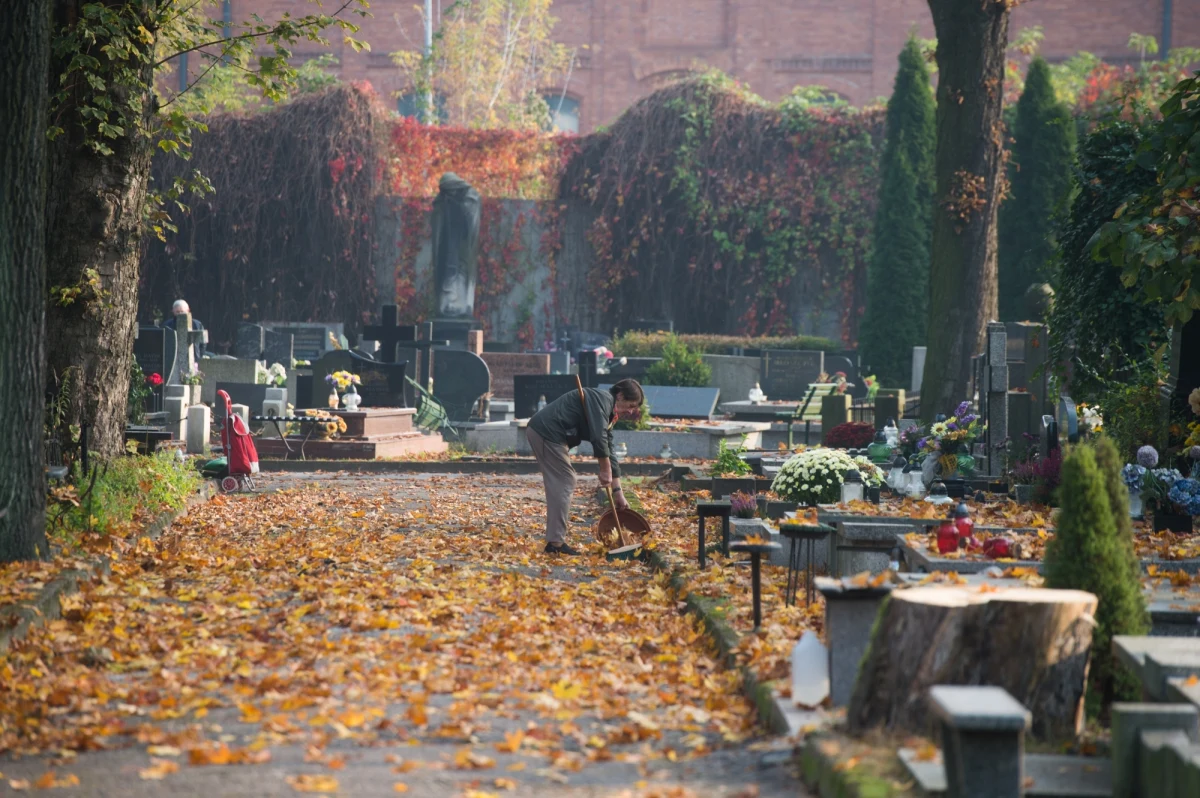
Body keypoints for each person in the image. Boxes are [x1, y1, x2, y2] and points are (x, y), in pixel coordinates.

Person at [527, 378, 644, 555]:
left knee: (563, 481)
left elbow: (608, 449)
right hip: (546, 432)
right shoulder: (602, 399)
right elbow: (598, 437)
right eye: (631, 405)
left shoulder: (608, 412)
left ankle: (555, 541)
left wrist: (618, 492)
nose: (631, 411)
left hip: (550, 435)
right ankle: (555, 544)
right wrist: (604, 469)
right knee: (565, 480)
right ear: (620, 395)